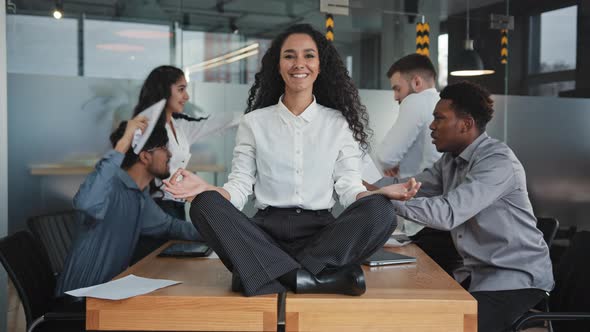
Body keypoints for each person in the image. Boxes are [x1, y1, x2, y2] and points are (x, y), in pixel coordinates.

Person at [163, 24, 421, 297]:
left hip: (321, 238)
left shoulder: (338, 124)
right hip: (264, 236)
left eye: (309, 55)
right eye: (289, 56)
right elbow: (238, 188)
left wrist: (379, 193)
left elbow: (349, 189)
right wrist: (204, 189)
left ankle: (264, 274)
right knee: (204, 205)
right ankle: (311, 279)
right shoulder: (254, 123)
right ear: (278, 65)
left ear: (321, 66)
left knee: (381, 210)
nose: (299, 63)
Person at [369, 81, 554, 332]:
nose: (432, 126)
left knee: (442, 325)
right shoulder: (450, 161)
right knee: (415, 314)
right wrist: (363, 186)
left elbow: (448, 213)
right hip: (479, 278)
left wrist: (381, 195)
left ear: (466, 124)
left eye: (439, 119)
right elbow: (409, 186)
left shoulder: (497, 162)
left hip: (515, 283)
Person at [55, 116, 202, 296]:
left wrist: (220, 232)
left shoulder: (138, 195)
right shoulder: (111, 186)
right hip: (79, 300)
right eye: (164, 148)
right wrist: (123, 143)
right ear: (145, 156)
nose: (170, 154)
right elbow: (86, 203)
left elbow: (171, 226)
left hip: (109, 296)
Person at [130, 65, 239, 262]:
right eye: (181, 89)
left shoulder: (180, 126)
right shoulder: (143, 128)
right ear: (163, 90)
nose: (186, 96)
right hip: (155, 210)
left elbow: (218, 122)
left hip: (177, 208)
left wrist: (259, 116)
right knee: (155, 267)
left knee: (176, 266)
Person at [378, 53, 459, 275]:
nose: (396, 97)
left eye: (397, 88)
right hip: (441, 220)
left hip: (420, 217)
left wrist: (390, 164)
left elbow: (386, 155)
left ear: (416, 82)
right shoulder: (440, 104)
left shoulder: (417, 100)